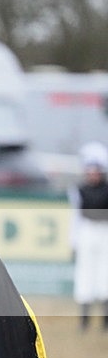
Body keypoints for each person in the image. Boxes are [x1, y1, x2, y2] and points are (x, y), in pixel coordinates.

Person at [71, 141, 108, 331]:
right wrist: (74, 242)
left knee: (104, 275)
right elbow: (75, 217)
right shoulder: (80, 190)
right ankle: (84, 321)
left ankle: (104, 322)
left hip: (104, 232)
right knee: (85, 275)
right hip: (87, 231)